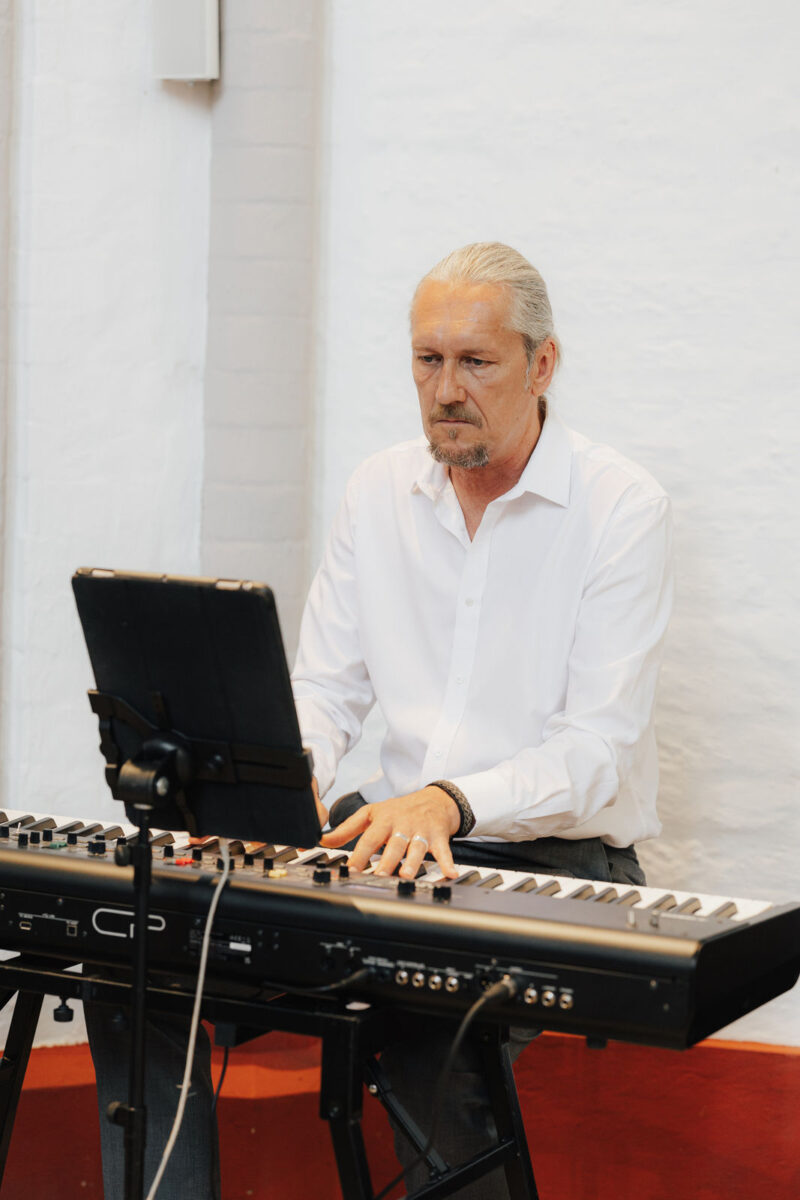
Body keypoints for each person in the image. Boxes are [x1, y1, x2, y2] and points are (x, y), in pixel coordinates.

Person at [87, 242, 672, 1199]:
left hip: (557, 859)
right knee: (134, 970)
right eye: (427, 360)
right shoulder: (378, 489)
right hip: (385, 844)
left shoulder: (620, 507)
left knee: (425, 1027)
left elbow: (597, 752)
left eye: (476, 362)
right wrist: (279, 782)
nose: (446, 390)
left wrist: (447, 800)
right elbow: (324, 690)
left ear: (543, 364)